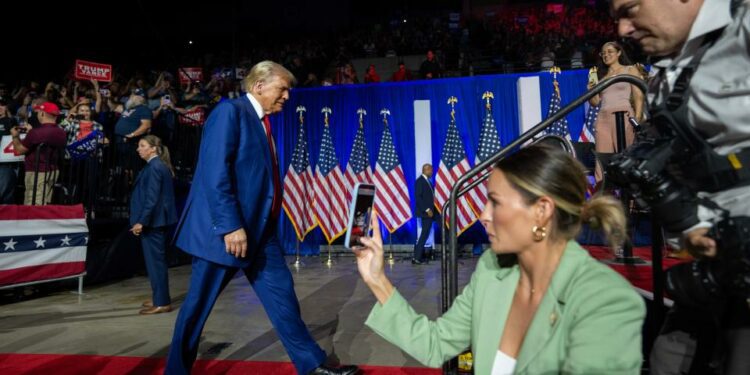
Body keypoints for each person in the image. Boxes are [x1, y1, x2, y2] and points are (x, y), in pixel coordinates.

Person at [354, 144, 645, 374]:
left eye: (496, 202)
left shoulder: (607, 300)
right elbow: (435, 343)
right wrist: (376, 278)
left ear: (542, 211)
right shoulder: (491, 269)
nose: (483, 215)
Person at [166, 61, 359, 375]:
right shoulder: (230, 113)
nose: (286, 96)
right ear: (258, 86)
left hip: (260, 234)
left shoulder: (263, 122)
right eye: (281, 89)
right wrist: (230, 226)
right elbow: (215, 174)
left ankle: (311, 365)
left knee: (283, 298)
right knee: (197, 308)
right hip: (227, 234)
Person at [611, 0, 750, 373]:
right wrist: (690, 228)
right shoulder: (667, 74)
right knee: (666, 362)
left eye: (631, 9)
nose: (623, 29)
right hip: (713, 270)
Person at [129, 135, 177, 315]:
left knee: (156, 263)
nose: (138, 149)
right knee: (155, 262)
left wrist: (142, 221)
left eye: (142, 146)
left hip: (154, 222)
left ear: (153, 149)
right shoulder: (156, 166)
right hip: (157, 221)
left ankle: (162, 302)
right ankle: (159, 296)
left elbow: (153, 198)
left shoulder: (155, 167)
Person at [587, 41, 644, 183]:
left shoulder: (630, 70)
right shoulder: (602, 78)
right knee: (602, 161)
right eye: (603, 53)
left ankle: (629, 199)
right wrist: (590, 90)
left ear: (619, 53)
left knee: (626, 157)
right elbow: (595, 103)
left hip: (624, 116)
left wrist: (637, 118)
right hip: (603, 121)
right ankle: (604, 197)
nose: (606, 55)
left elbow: (638, 95)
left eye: (610, 51)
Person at [9, 102, 66, 205]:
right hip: (53, 171)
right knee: (45, 202)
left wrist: (15, 136)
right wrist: (31, 132)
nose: (37, 114)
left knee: (33, 204)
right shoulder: (61, 132)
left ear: (43, 114)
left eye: (39, 112)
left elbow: (19, 150)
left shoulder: (36, 133)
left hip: (36, 172)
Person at [114, 88, 152, 177]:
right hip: (119, 139)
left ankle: (131, 185)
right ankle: (122, 183)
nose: (130, 97)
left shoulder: (144, 109)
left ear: (140, 98)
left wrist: (132, 134)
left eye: (133, 95)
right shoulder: (128, 108)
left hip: (131, 141)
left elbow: (146, 125)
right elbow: (114, 108)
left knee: (131, 166)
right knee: (122, 164)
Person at [413, 163, 436, 265]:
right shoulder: (420, 181)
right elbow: (418, 198)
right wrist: (427, 209)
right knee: (424, 235)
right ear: (426, 170)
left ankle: (417, 257)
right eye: (431, 170)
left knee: (425, 234)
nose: (432, 172)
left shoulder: (428, 181)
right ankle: (416, 258)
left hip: (432, 211)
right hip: (426, 213)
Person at [0, 96, 18, 203]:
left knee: (5, 196)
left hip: (5, 164)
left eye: (2, 105)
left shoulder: (10, 121)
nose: (0, 107)